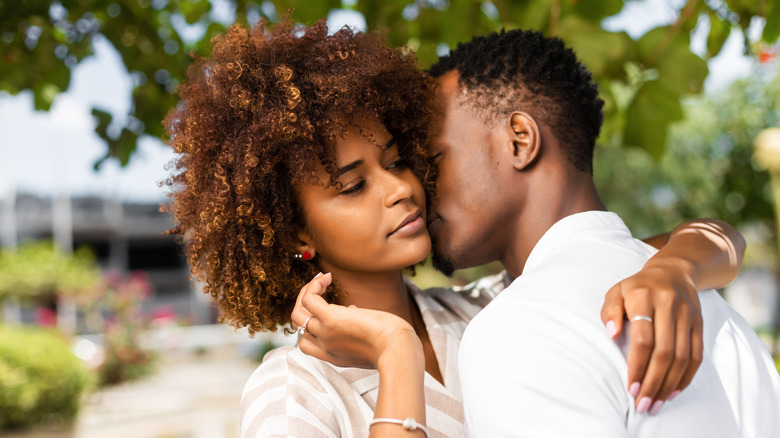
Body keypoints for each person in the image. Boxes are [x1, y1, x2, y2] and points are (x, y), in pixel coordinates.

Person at [165, 19, 747, 438]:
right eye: (353, 186)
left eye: (395, 161)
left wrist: (674, 270)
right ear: (296, 235)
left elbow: (689, 240)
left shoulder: (483, 309)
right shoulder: (291, 395)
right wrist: (395, 357)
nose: (400, 188)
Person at [423, 29, 779, 436]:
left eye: (434, 158)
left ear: (520, 141)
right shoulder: (709, 302)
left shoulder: (518, 328)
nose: (418, 185)